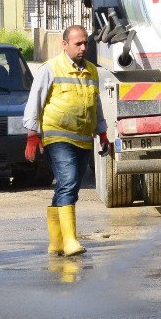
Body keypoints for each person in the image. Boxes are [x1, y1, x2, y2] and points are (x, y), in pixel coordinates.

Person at [23, 25, 109, 257]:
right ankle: (70, 240)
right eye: (77, 44)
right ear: (64, 45)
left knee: (69, 187)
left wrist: (102, 132)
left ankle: (57, 242)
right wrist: (32, 134)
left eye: (85, 43)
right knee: (69, 181)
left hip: (83, 139)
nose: (83, 48)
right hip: (57, 136)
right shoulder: (50, 68)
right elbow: (35, 100)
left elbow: (96, 103)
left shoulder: (92, 70)